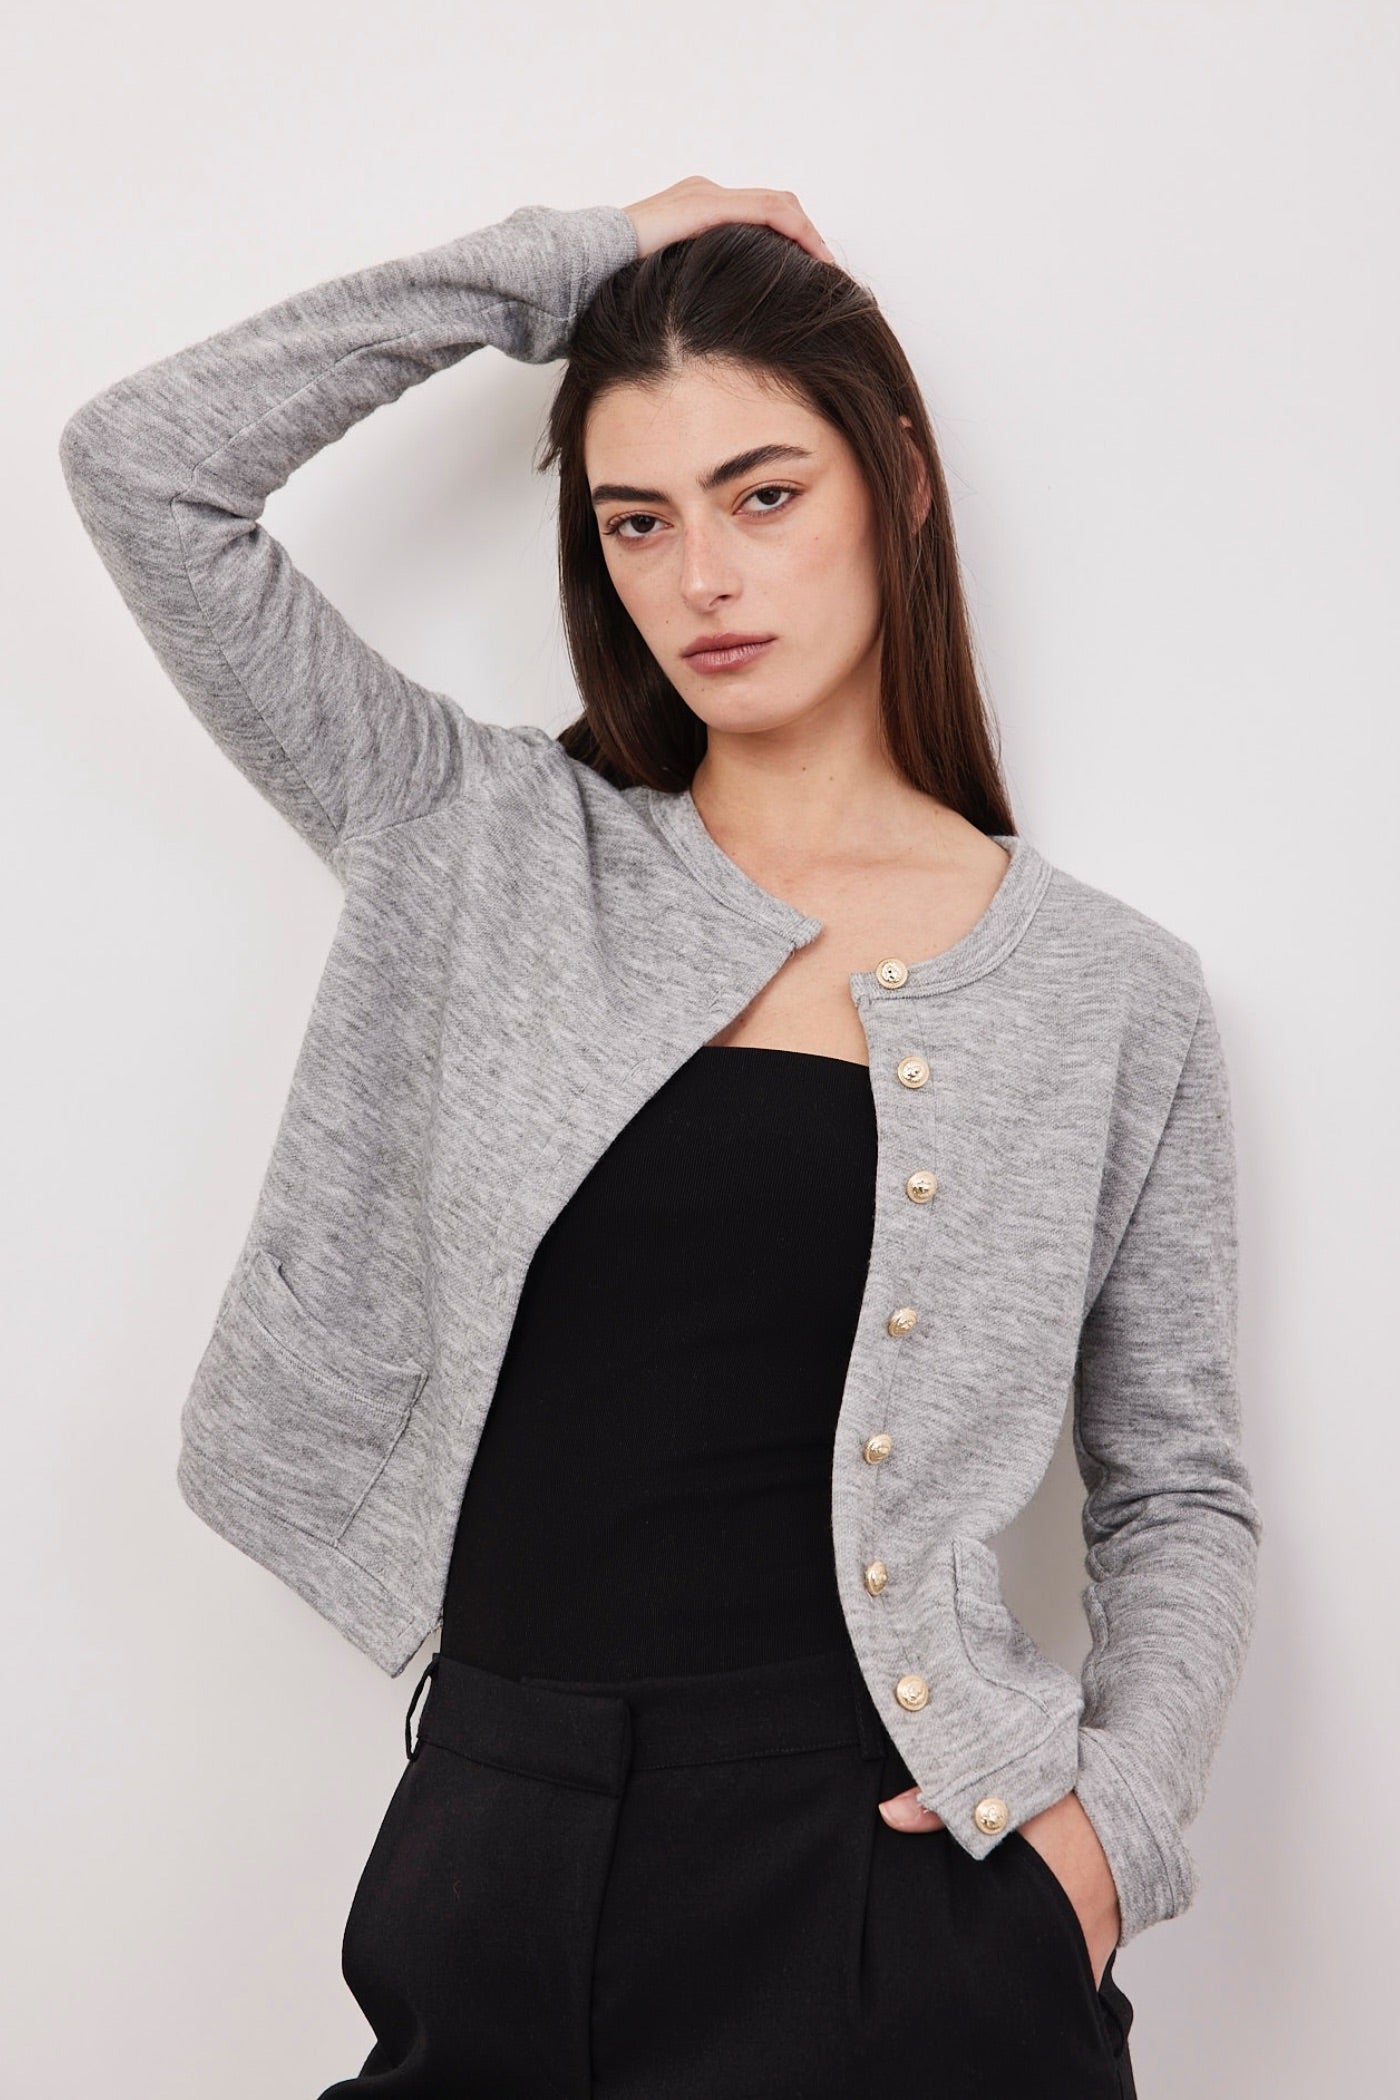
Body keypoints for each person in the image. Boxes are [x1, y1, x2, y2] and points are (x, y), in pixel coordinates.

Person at [59, 175, 1263, 2097]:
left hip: (901, 1880)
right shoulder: (478, 841)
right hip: (502, 1837)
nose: (702, 575)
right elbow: (144, 470)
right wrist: (569, 260)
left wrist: (1110, 1840)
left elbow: (1176, 1489)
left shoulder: (1107, 995)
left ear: (899, 483)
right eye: (639, 518)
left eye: (762, 495)